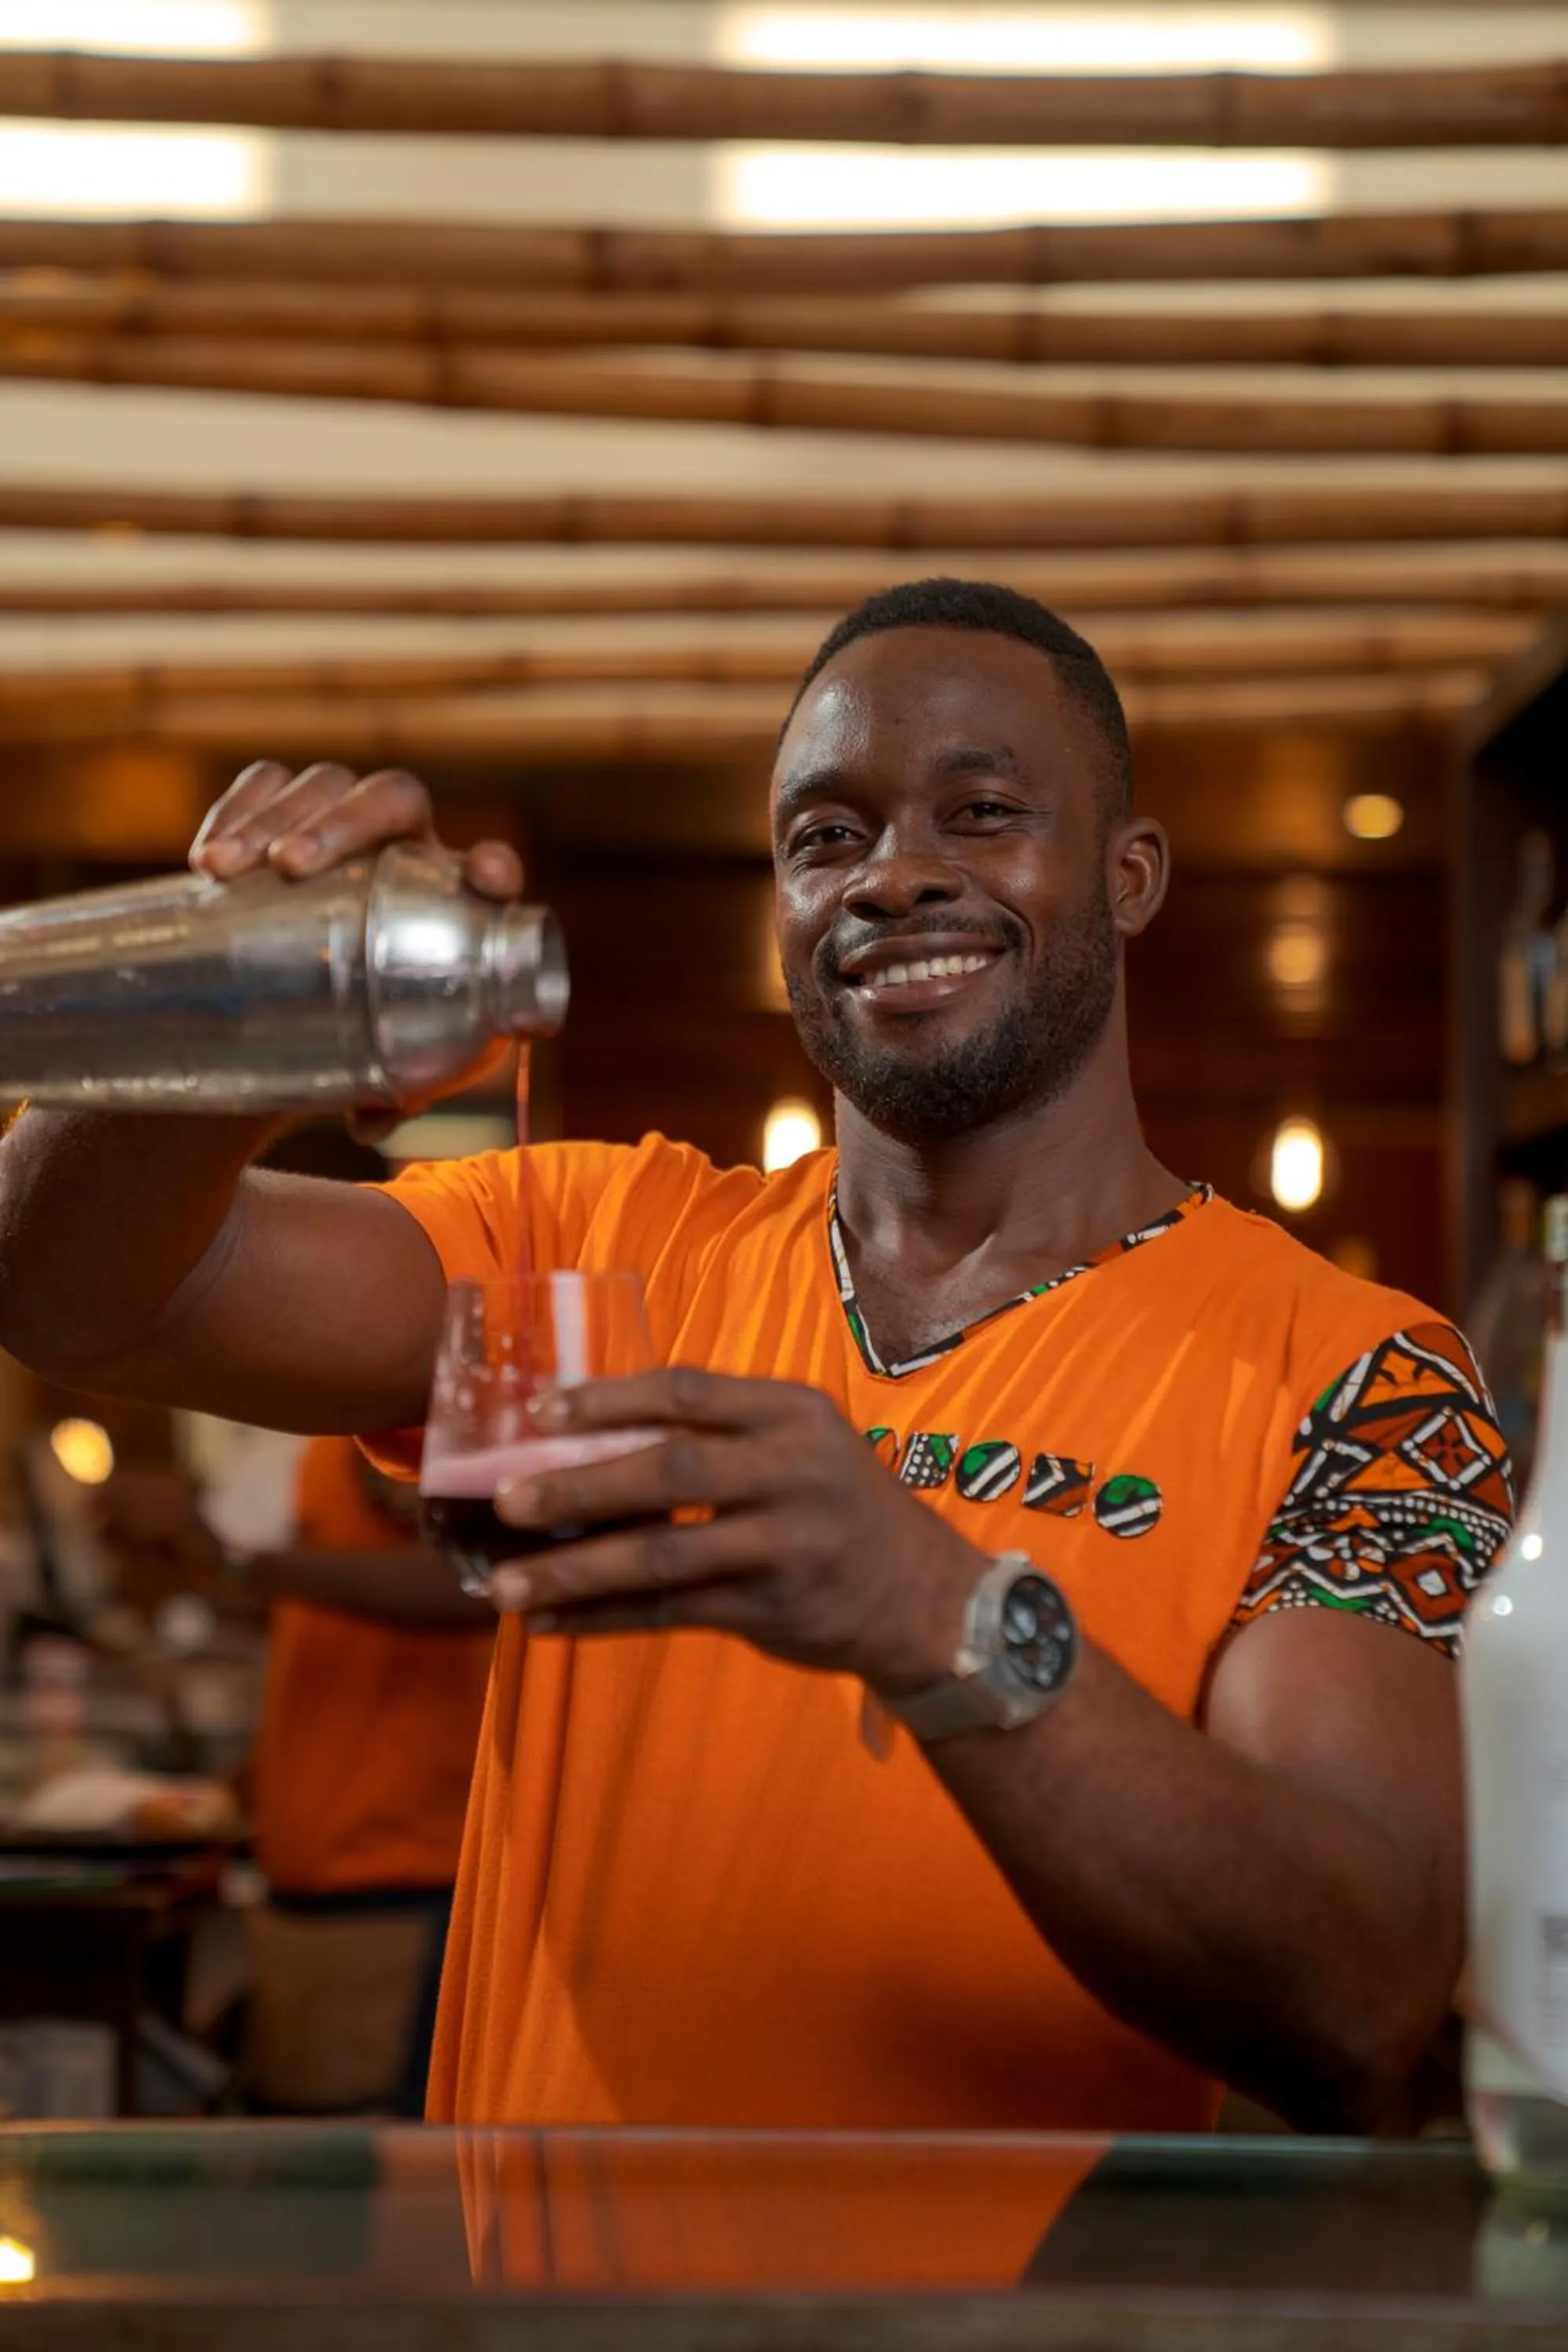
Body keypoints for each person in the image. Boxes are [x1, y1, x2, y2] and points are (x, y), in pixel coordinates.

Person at [0, 578, 1512, 2137]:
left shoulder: (1364, 1378)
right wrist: (234, 972)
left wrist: (933, 1615)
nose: (892, 876)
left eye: (980, 812)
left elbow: (1359, 1991)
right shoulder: (588, 1240)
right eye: (825, 837)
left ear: (1128, 877)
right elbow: (69, 1294)